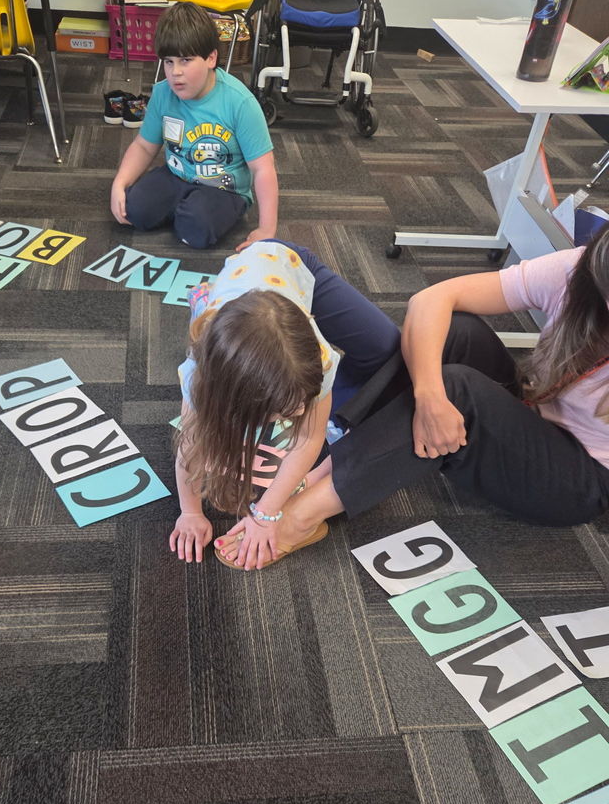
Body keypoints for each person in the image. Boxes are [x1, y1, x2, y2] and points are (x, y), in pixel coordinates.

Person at [215, 224, 609, 569]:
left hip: (580, 477)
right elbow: (431, 300)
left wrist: (439, 396)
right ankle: (331, 462)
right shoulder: (582, 269)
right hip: (536, 406)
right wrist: (428, 395)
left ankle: (304, 516)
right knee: (456, 332)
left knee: (457, 389)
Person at [168, 240, 401, 564]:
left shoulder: (319, 358)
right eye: (284, 409)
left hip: (290, 262)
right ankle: (207, 303)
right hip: (246, 290)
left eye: (303, 399)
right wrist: (190, 512)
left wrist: (266, 514)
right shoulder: (199, 378)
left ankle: (332, 402)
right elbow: (190, 445)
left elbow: (308, 438)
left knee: (389, 347)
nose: (299, 412)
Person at [110, 2, 278, 251]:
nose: (175, 72)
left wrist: (267, 229)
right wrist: (120, 182)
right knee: (133, 210)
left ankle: (190, 212)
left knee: (196, 229)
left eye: (185, 60)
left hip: (224, 188)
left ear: (211, 58)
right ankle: (184, 207)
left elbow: (263, 168)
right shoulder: (163, 93)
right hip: (177, 174)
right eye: (168, 61)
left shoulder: (240, 102)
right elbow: (144, 146)